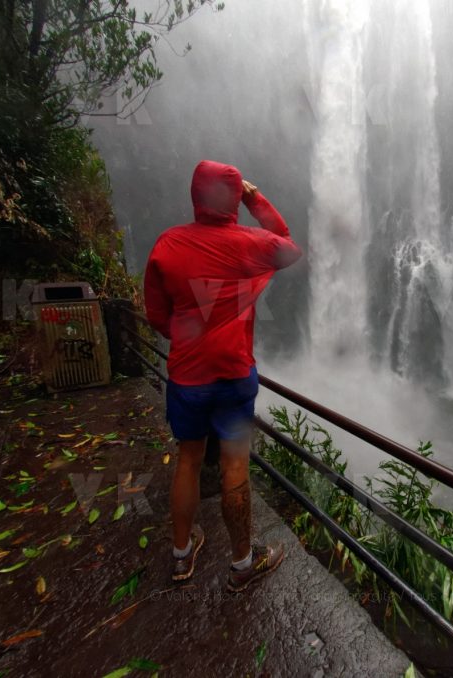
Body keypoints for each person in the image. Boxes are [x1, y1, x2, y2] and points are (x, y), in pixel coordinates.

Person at [144, 159, 303, 591]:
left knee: (189, 459)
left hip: (188, 378)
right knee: (235, 464)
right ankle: (242, 564)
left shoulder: (166, 245)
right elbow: (289, 246)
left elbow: (156, 314)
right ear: (233, 198)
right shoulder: (249, 244)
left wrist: (187, 341)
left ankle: (181, 556)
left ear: (195, 195)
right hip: (234, 375)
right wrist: (256, 198)